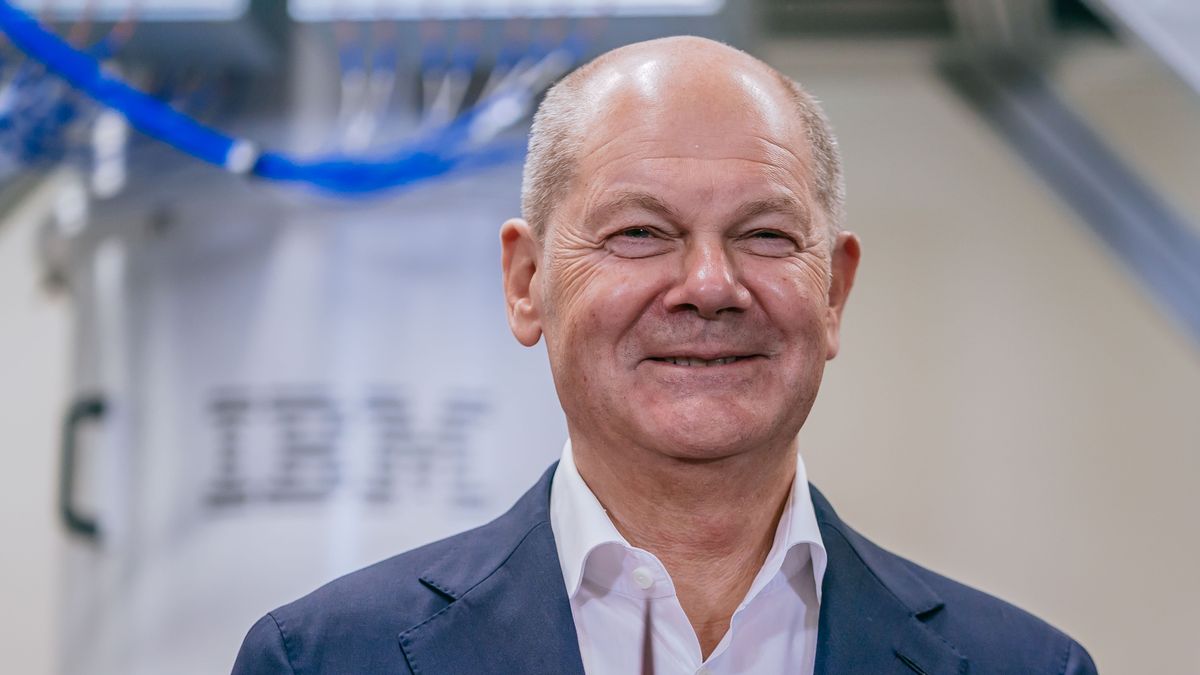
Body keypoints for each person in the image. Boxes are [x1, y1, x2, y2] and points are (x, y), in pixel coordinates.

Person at [232, 36, 1097, 675]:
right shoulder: (322, 661)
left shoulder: (1029, 668)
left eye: (764, 234)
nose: (711, 284)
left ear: (833, 291)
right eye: (641, 232)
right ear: (527, 281)